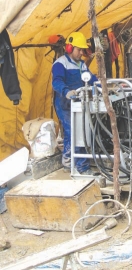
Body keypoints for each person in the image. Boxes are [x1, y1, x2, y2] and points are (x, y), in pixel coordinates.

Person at [52, 31, 98, 175]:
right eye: (79, 49)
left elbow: (91, 78)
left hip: (79, 102)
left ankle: (67, 160)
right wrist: (66, 91)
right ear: (70, 48)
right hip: (64, 103)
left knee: (75, 131)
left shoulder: (81, 65)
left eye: (82, 50)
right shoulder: (60, 63)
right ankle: (82, 168)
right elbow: (57, 81)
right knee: (75, 131)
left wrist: (103, 86)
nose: (81, 53)